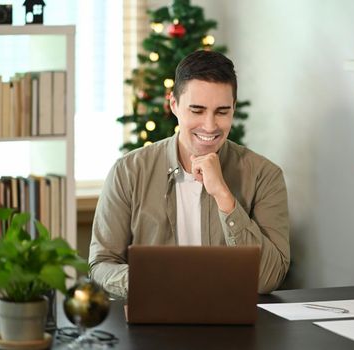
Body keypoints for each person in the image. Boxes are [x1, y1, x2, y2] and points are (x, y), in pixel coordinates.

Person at [89, 50, 290, 299]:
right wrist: (152, 282)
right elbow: (101, 264)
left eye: (222, 112)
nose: (209, 126)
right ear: (174, 104)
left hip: (233, 325)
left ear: (233, 109)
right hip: (151, 325)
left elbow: (269, 278)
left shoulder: (264, 176)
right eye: (197, 110)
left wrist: (223, 196)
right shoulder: (128, 171)